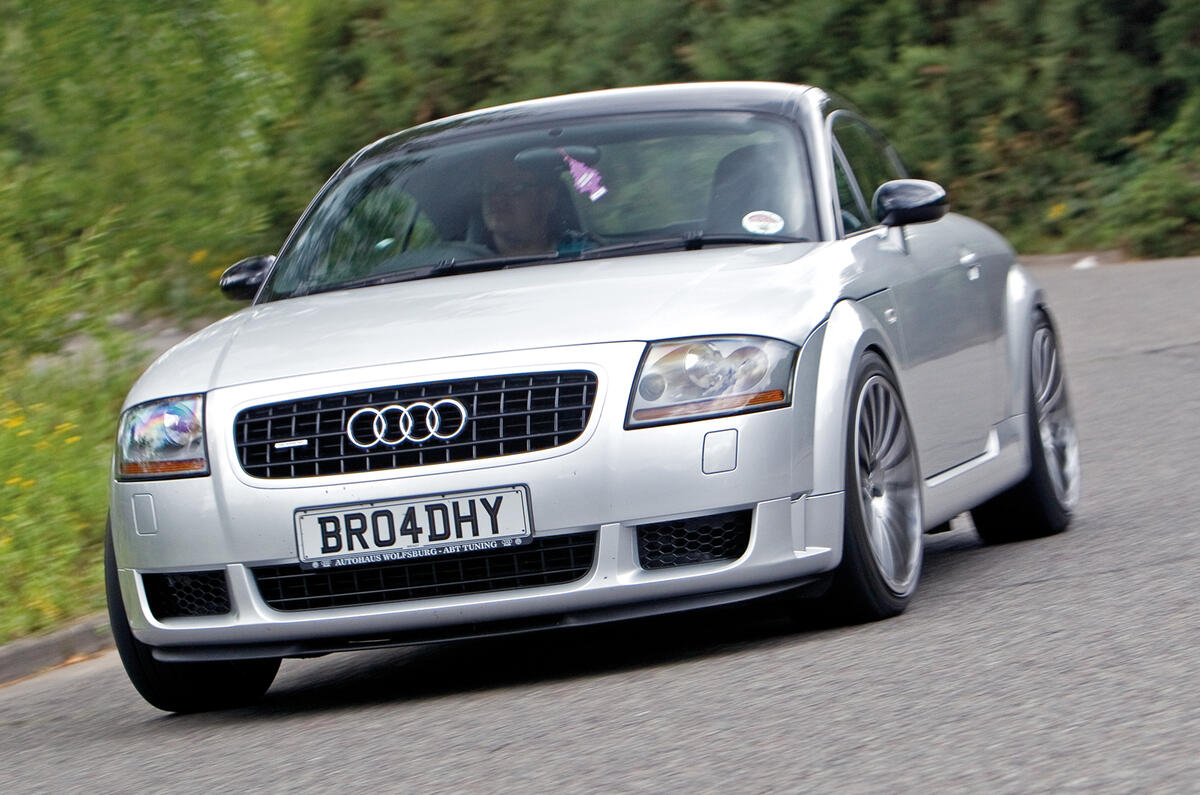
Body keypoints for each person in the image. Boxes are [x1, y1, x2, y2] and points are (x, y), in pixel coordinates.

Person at [480, 159, 562, 256]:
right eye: (491, 186)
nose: (497, 198)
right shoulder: (464, 264)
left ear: (547, 197)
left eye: (515, 187)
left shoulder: (579, 257)